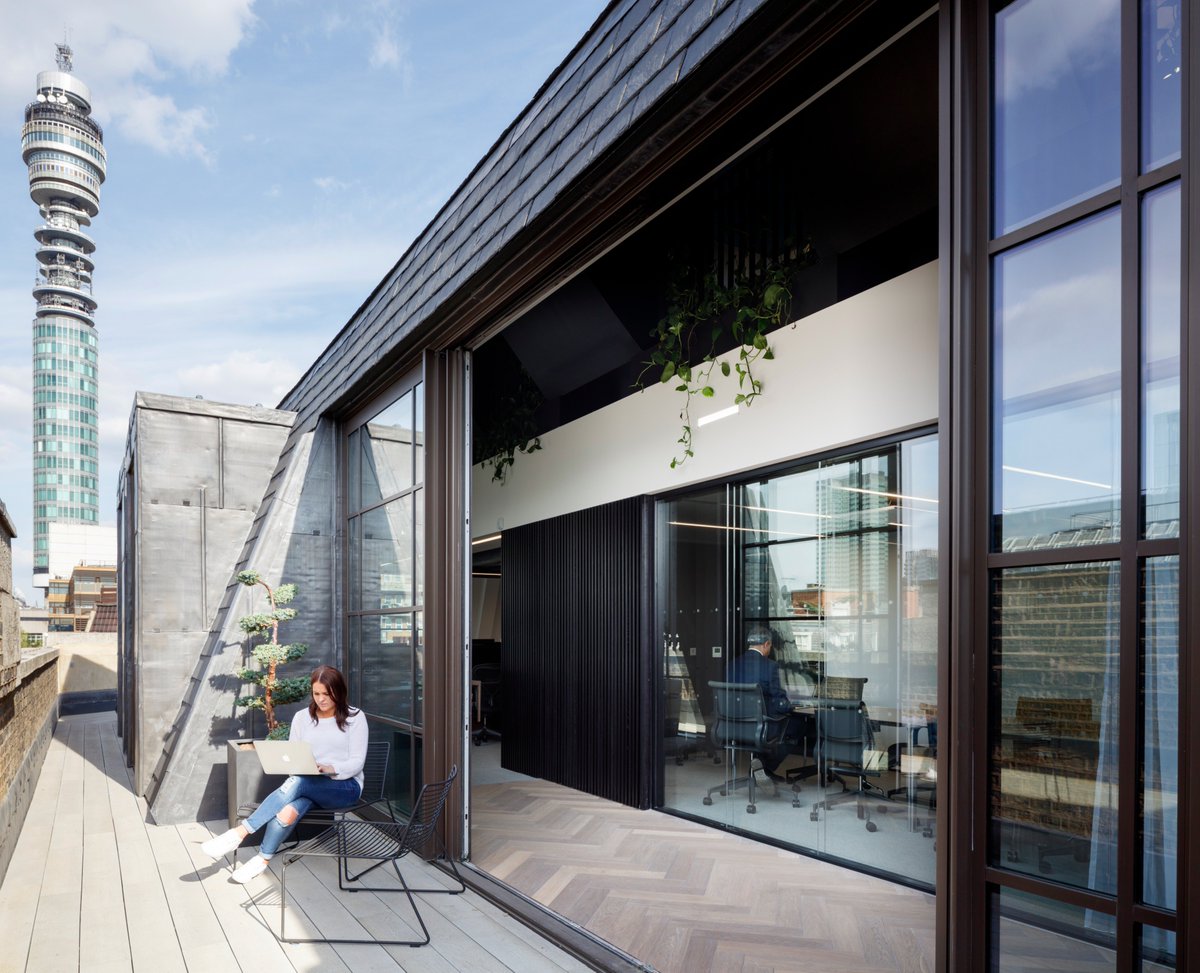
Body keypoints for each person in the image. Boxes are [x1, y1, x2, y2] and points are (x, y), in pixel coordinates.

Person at [202, 664, 369, 884]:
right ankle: (262, 859)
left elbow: (357, 762)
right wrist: (304, 766)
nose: (321, 699)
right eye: (317, 693)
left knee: (298, 782)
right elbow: (293, 753)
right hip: (310, 784)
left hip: (344, 786)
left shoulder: (355, 718)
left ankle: (240, 832)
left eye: (327, 694)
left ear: (339, 691)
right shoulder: (302, 718)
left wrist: (331, 768)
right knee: (287, 812)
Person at [729, 628, 809, 781]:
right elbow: (778, 701)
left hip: (733, 725)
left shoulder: (731, 664)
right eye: (770, 646)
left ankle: (759, 767)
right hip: (760, 726)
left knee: (769, 723)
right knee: (798, 724)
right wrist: (792, 706)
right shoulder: (769, 666)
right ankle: (765, 767)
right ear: (766, 644)